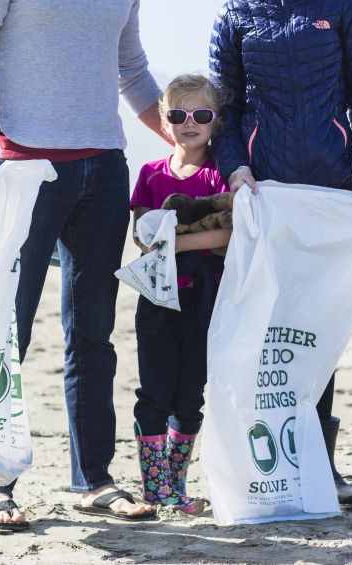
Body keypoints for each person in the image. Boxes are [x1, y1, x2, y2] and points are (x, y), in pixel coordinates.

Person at [0, 0, 167, 531]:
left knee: (92, 333)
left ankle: (93, 479)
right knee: (9, 331)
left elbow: (132, 70)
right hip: (25, 166)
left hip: (105, 168)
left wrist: (195, 146)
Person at [210, 0, 352, 510]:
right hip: (264, 193)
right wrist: (233, 168)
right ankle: (261, 461)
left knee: (316, 327)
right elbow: (223, 109)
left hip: (331, 187)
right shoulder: (236, 13)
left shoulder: (342, 7)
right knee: (265, 327)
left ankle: (320, 464)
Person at [129, 75, 232, 515]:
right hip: (155, 300)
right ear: (165, 123)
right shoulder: (151, 174)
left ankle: (177, 484)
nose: (190, 123)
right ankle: (157, 489)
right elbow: (140, 232)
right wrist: (182, 234)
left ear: (216, 122)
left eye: (201, 115)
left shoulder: (222, 173)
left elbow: (229, 234)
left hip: (205, 302)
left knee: (191, 396)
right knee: (153, 395)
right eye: (178, 115)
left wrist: (172, 238)